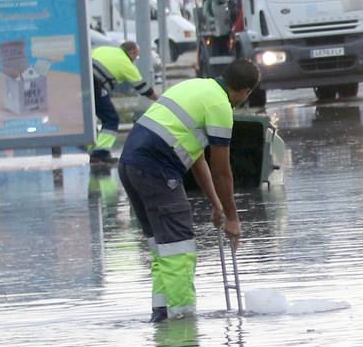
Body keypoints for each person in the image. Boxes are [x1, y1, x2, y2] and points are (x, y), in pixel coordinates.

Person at [117, 59, 260, 323]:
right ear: (244, 91)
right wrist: (233, 217)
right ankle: (182, 320)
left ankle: (161, 315)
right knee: (179, 247)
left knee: (163, 247)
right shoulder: (220, 106)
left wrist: (216, 203)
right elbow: (221, 170)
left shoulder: (196, 88)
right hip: (156, 169)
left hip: (129, 166)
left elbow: (197, 158)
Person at [91, 39, 158, 164]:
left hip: (79, 80)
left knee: (88, 119)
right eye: (136, 56)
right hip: (96, 85)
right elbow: (143, 88)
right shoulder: (126, 63)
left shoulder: (105, 49)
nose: (135, 59)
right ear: (131, 52)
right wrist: (160, 101)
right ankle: (100, 154)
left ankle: (92, 149)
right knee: (111, 118)